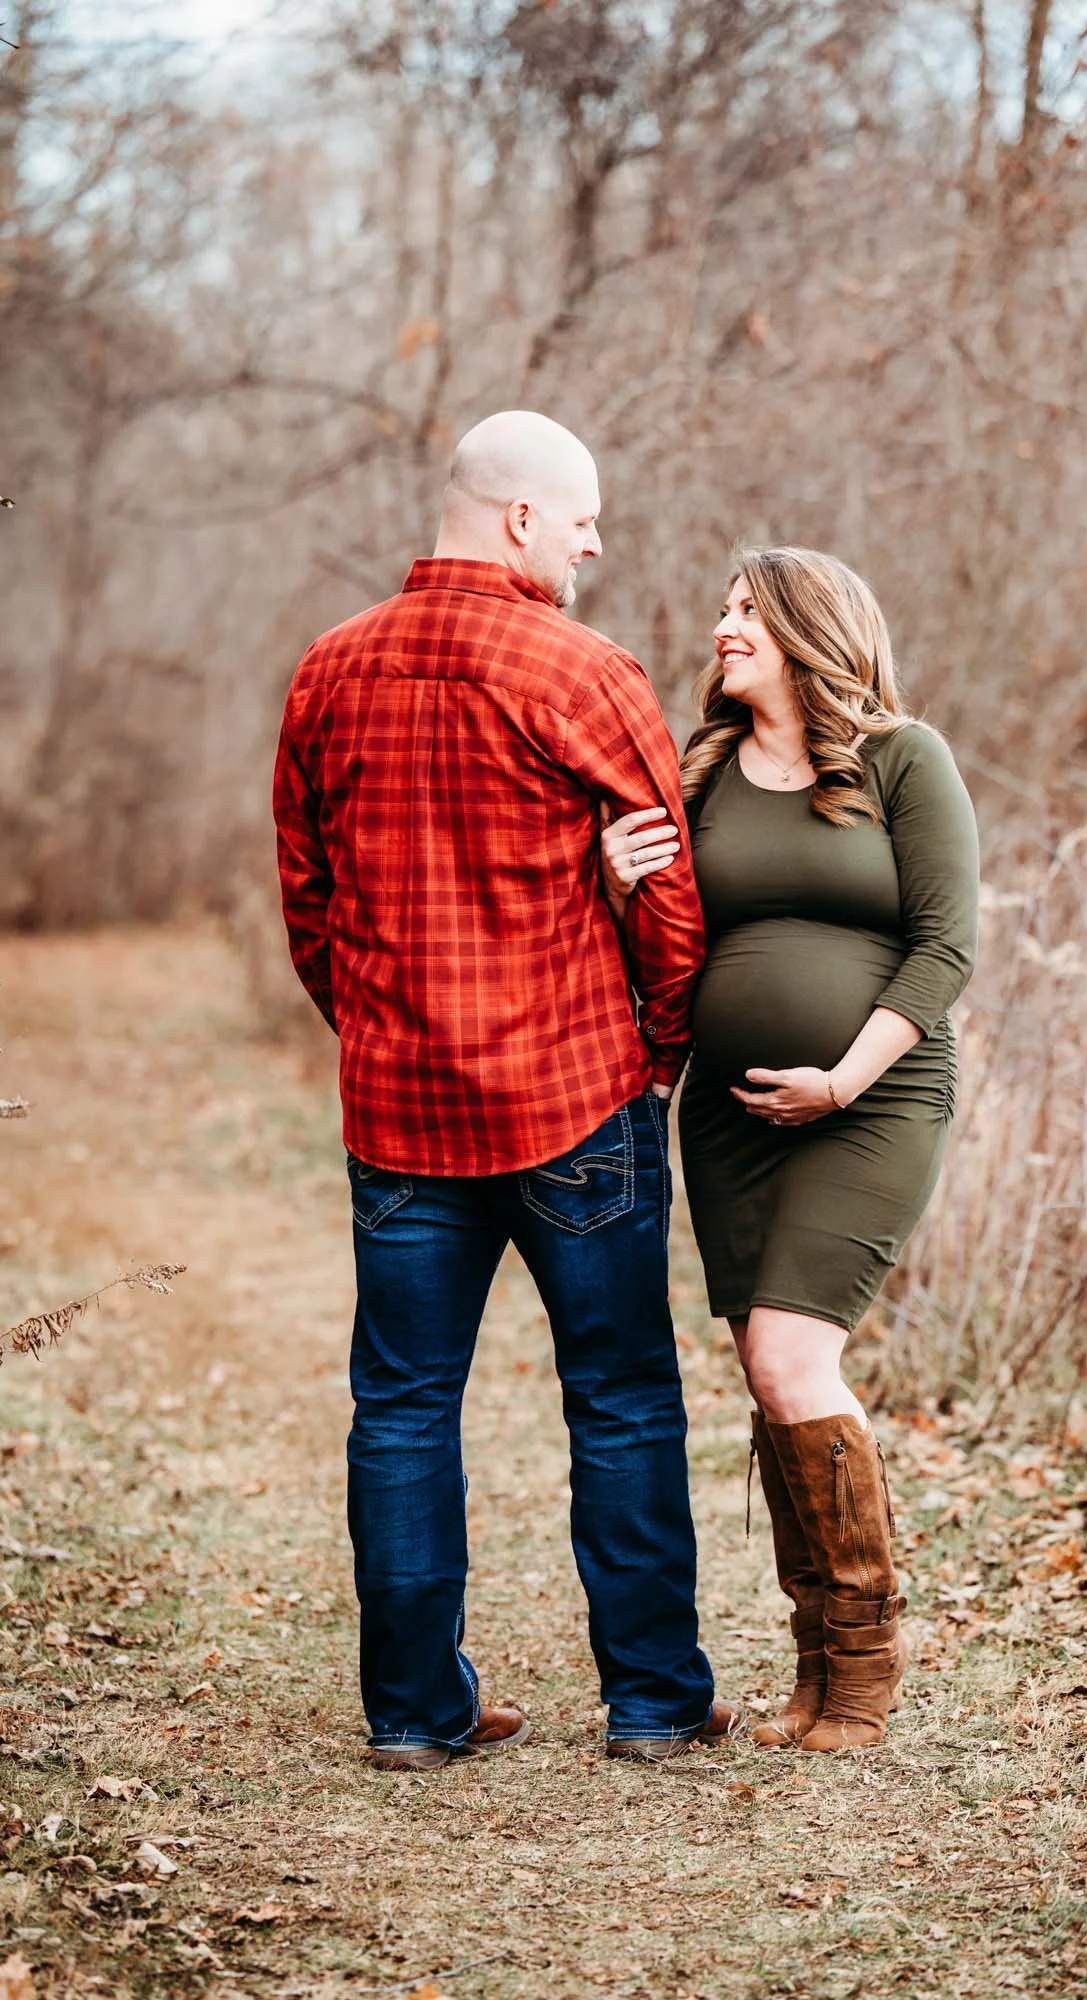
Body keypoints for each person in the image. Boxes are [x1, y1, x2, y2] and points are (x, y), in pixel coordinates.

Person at [273, 410, 742, 1767]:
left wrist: (370, 1025)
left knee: (404, 1404)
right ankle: (653, 1699)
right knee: (622, 1398)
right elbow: (670, 907)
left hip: (403, 1111)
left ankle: (413, 1713)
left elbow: (308, 905)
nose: (596, 540)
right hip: (576, 1100)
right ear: (522, 520)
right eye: (583, 516)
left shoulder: (325, 673)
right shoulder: (585, 673)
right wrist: (650, 1050)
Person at [601, 545, 979, 1752]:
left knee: (790, 1358)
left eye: (746, 611)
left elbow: (944, 947)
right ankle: (813, 1667)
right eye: (721, 609)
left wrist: (841, 1077)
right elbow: (656, 943)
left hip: (870, 1098)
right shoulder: (698, 770)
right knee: (768, 1381)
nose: (722, 627)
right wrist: (614, 883)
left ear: (810, 628)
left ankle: (862, 1668)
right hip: (728, 1115)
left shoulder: (899, 759)